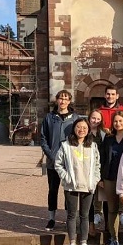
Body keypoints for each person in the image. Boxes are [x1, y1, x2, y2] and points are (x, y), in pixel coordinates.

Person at [53, 118, 101, 245]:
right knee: (72, 215)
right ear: (74, 128)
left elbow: (97, 165)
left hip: (88, 185)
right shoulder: (66, 145)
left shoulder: (92, 146)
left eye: (84, 127)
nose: (81, 130)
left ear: (88, 130)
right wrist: (66, 177)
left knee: (85, 215)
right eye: (79, 127)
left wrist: (95, 179)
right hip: (72, 185)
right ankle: (72, 243)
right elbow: (58, 164)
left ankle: (84, 243)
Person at [40, 90, 77, 231]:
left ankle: (69, 219)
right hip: (53, 160)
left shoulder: (75, 118)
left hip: (69, 161)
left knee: (69, 190)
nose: (63, 101)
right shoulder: (49, 117)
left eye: (66, 99)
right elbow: (43, 138)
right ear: (57, 100)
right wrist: (50, 155)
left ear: (69, 101)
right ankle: (51, 218)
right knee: (53, 190)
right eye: (61, 98)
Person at [99, 111, 123, 245]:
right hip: (110, 177)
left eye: (120, 121)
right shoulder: (108, 138)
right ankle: (114, 240)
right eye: (115, 121)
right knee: (112, 210)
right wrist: (100, 177)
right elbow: (102, 158)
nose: (118, 124)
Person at [87, 109, 108, 235]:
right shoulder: (84, 132)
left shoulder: (104, 133)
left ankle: (107, 226)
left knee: (105, 199)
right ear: (89, 118)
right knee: (89, 199)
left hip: (101, 169)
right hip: (88, 170)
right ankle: (91, 226)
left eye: (98, 119)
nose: (95, 121)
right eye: (93, 118)